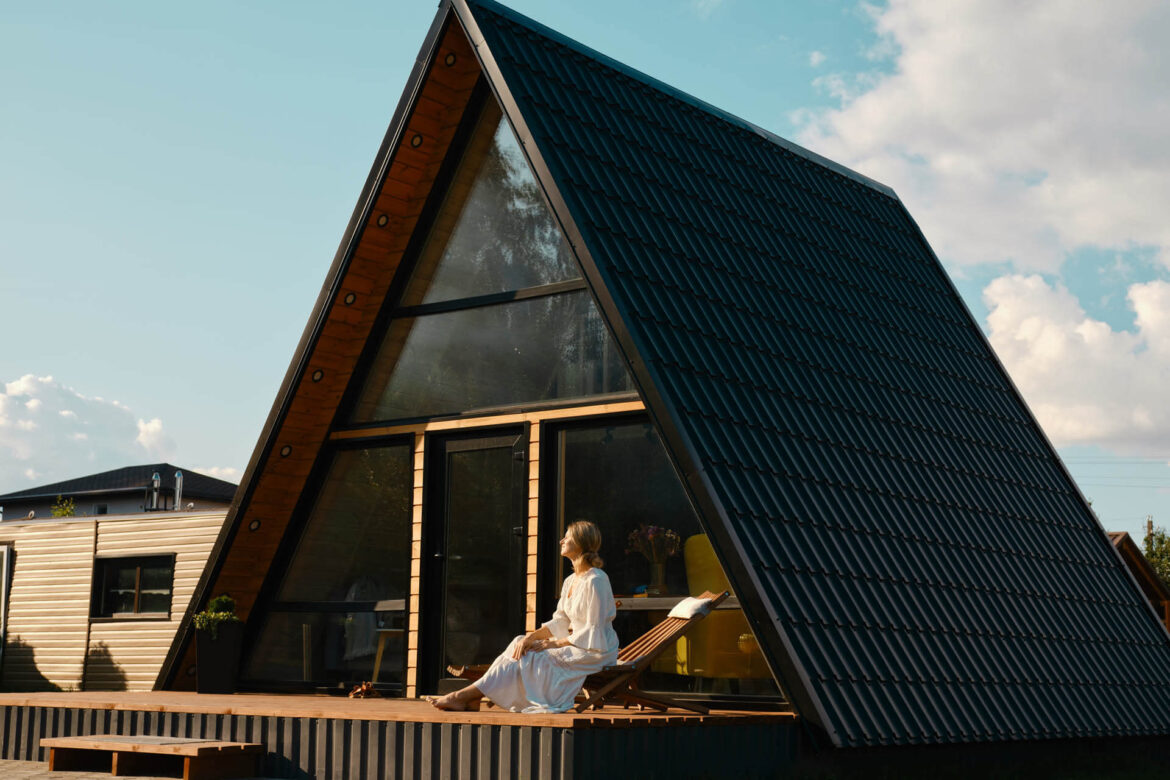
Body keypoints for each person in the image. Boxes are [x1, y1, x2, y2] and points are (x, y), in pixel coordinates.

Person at [426, 520, 619, 713]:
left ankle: (465, 696)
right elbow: (560, 620)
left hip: (595, 651)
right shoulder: (570, 581)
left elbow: (593, 630)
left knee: (536, 656)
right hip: (576, 644)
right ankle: (469, 697)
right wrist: (530, 638)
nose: (561, 540)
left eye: (567, 537)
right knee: (521, 642)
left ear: (580, 542)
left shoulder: (596, 580)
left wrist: (551, 644)